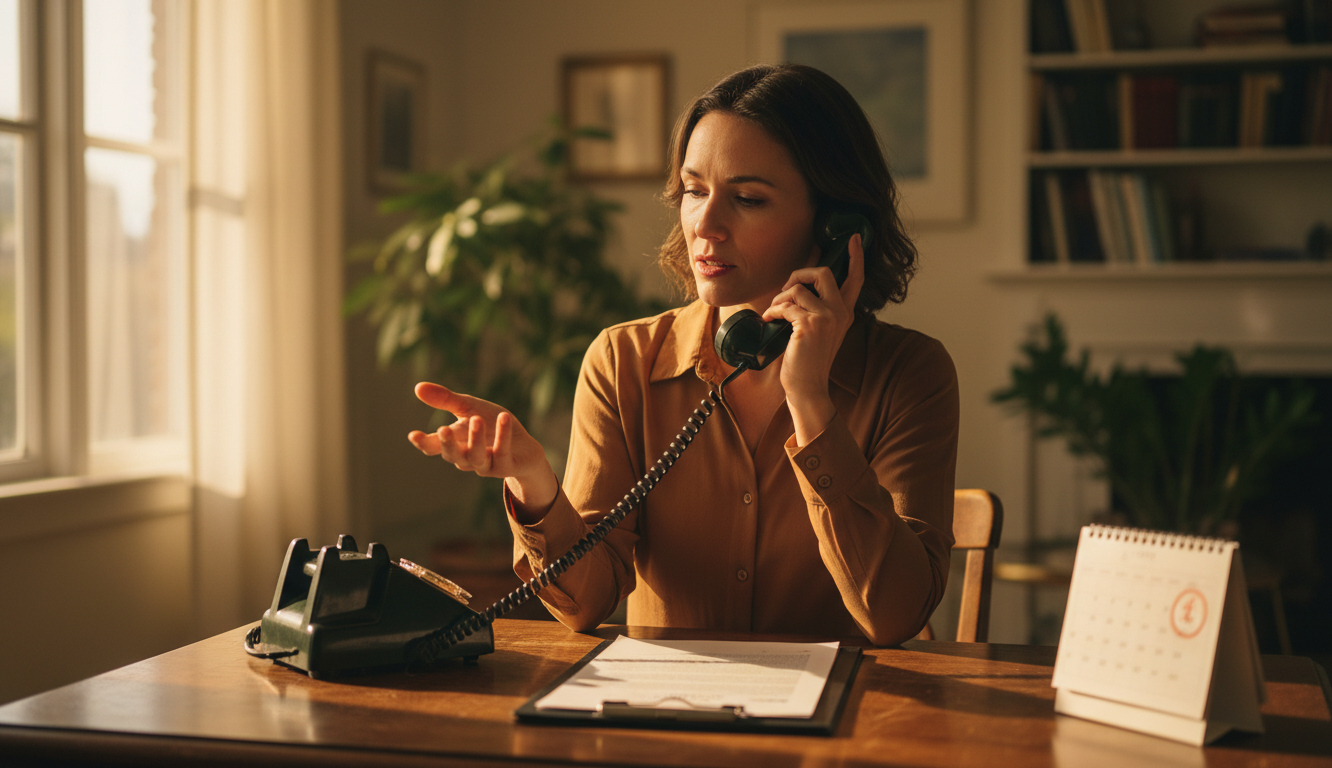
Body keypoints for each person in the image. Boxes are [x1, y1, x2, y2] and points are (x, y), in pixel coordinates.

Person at [408, 64, 958, 646]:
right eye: (694, 191)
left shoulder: (910, 375)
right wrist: (532, 481)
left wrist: (811, 403)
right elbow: (585, 604)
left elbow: (893, 615)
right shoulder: (623, 360)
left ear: (836, 228)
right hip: (667, 719)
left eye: (747, 199)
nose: (706, 225)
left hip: (851, 723)